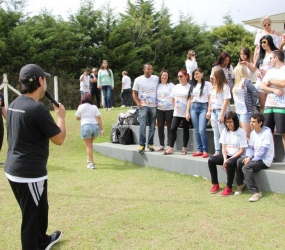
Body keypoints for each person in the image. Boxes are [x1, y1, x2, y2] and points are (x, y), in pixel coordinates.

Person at [4, 64, 66, 250]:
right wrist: (61, 117)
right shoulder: (38, 110)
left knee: (38, 211)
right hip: (29, 174)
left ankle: (43, 240)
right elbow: (59, 139)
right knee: (32, 218)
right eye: (44, 78)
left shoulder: (14, 104)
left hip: (13, 170)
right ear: (40, 81)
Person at [235, 113, 274, 202]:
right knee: (239, 161)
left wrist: (251, 159)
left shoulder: (267, 133)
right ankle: (241, 185)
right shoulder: (253, 133)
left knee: (246, 167)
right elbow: (250, 147)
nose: (251, 124)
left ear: (260, 123)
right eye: (250, 121)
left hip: (264, 161)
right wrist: (249, 156)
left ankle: (256, 192)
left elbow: (263, 152)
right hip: (255, 159)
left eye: (254, 122)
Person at [208, 111, 247, 196]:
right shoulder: (225, 131)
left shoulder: (241, 132)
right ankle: (215, 184)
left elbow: (242, 150)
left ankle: (229, 187)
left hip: (237, 155)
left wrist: (228, 160)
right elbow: (224, 148)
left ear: (235, 121)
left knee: (229, 163)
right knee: (211, 160)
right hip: (227, 155)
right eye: (227, 122)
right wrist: (225, 159)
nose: (228, 124)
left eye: (230, 122)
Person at [260, 49, 285, 161]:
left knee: (283, 132)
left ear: (277, 58)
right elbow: (262, 86)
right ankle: (269, 156)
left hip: (282, 105)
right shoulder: (270, 71)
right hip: (269, 105)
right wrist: (273, 90)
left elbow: (283, 83)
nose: (269, 60)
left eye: (271, 58)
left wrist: (270, 81)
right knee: (267, 131)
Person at [247, 35, 278, 113]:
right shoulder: (260, 54)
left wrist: (268, 73)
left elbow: (279, 67)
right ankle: (263, 122)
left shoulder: (276, 53)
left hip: (272, 82)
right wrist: (247, 64)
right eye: (261, 42)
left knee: (273, 104)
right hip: (261, 82)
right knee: (262, 104)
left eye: (264, 42)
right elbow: (254, 68)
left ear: (269, 41)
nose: (262, 44)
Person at [132, 63, 159, 153]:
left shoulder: (156, 78)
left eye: (151, 69)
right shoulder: (138, 80)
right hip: (143, 106)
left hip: (153, 106)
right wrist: (138, 103)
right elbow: (134, 93)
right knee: (142, 126)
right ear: (144, 70)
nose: (150, 71)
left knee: (152, 126)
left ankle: (150, 144)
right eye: (148, 69)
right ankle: (142, 145)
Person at [163, 70, 191, 155]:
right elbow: (172, 98)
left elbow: (190, 99)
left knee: (185, 129)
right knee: (172, 129)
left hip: (186, 112)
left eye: (181, 76)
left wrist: (187, 112)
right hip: (177, 112)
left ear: (186, 76)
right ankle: (171, 148)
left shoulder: (190, 87)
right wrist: (175, 106)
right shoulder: (176, 87)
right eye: (178, 76)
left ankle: (184, 148)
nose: (179, 78)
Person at [186, 68, 211, 158]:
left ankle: (205, 150)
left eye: (197, 74)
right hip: (193, 107)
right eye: (194, 74)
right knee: (196, 131)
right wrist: (187, 112)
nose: (196, 76)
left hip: (203, 107)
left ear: (202, 74)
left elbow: (210, 98)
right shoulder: (192, 85)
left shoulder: (208, 84)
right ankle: (199, 149)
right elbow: (189, 99)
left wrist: (209, 110)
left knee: (201, 130)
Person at [75, 92, 104, 169]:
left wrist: (82, 118)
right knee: (90, 143)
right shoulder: (94, 107)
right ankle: (89, 157)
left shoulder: (81, 107)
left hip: (86, 126)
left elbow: (77, 117)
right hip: (95, 127)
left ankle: (91, 163)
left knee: (88, 146)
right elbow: (98, 118)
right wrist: (102, 129)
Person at [233, 63, 259, 138]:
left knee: (246, 135)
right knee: (241, 134)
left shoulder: (246, 81)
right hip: (238, 111)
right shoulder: (237, 82)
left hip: (245, 111)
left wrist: (254, 104)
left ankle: (251, 149)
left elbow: (255, 92)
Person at [209, 68, 231, 155]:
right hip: (213, 111)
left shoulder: (225, 87)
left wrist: (222, 114)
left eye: (214, 75)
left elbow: (226, 101)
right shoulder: (213, 87)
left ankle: (224, 151)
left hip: (221, 111)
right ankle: (217, 151)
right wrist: (210, 110)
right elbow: (211, 99)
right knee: (215, 132)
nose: (212, 77)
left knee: (223, 132)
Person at [156, 70, 174, 151]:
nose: (164, 76)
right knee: (160, 126)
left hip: (170, 109)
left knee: (170, 127)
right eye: (163, 75)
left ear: (168, 76)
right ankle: (161, 144)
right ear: (160, 76)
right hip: (159, 109)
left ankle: (169, 145)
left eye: (166, 75)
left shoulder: (171, 85)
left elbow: (174, 96)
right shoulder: (158, 85)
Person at [0, 92, 6, 164]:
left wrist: (8, 119)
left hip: (0, 122)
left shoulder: (0, 95)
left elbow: (3, 109)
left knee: (0, 140)